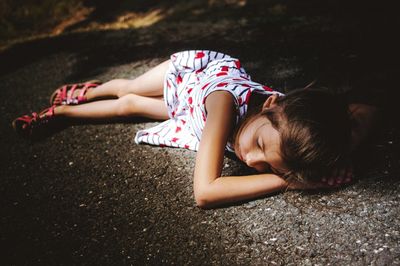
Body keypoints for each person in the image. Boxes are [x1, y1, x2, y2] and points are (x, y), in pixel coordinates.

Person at [12, 50, 379, 208]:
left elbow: (366, 111)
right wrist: (291, 180)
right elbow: (205, 192)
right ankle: (92, 90)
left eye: (269, 166)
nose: (251, 159)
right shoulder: (225, 105)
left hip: (189, 115)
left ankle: (60, 113)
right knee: (127, 92)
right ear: (270, 104)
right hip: (189, 79)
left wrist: (318, 161)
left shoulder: (292, 129)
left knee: (132, 109)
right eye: (257, 144)